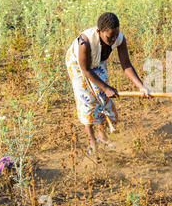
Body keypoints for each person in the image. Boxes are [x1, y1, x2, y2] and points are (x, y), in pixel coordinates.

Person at [65, 12, 151, 155]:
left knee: (102, 99)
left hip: (97, 62)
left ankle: (103, 137)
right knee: (87, 101)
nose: (113, 40)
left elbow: (127, 65)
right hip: (79, 66)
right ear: (99, 31)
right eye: (109, 37)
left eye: (115, 36)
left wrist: (141, 87)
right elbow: (86, 70)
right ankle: (92, 142)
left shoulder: (119, 39)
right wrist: (106, 88)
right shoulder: (84, 42)